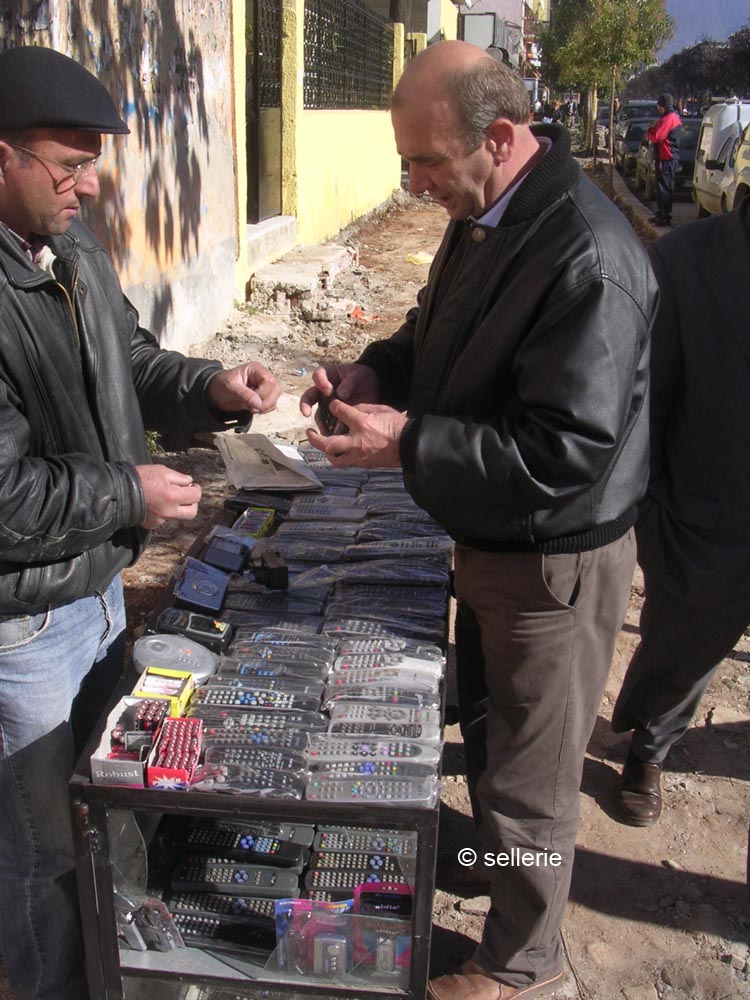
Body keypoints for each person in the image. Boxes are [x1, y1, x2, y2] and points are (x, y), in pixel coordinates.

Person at [301, 39, 658, 1000]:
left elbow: (563, 453)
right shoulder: (489, 212)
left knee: (531, 785)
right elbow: (435, 329)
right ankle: (502, 885)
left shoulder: (585, 254)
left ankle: (522, 965)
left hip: (552, 564)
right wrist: (380, 370)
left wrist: (406, 444)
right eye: (405, 163)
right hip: (494, 541)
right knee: (498, 750)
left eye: (425, 163)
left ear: (498, 138)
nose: (414, 185)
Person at [0, 45, 281, 1000]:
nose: (88, 185)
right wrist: (131, 494)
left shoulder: (72, 248)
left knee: (104, 810)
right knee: (37, 854)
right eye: (67, 162)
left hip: (95, 590)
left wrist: (209, 386)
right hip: (24, 626)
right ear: (1, 155)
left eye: (92, 163)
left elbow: (132, 359)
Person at [611, 197, 750, 826]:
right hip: (709, 521)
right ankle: (649, 746)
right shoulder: (683, 261)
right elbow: (645, 406)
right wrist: (655, 512)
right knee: (681, 651)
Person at [646, 93, 681, 227]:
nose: (657, 108)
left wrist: (650, 131)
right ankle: (662, 213)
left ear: (662, 106)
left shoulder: (668, 119)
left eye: (659, 106)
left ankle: (664, 216)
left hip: (666, 157)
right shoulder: (672, 117)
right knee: (663, 187)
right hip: (667, 157)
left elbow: (657, 136)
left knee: (664, 188)